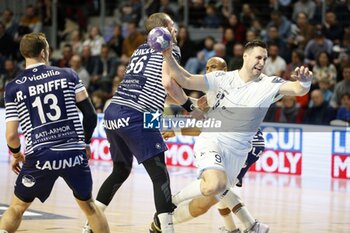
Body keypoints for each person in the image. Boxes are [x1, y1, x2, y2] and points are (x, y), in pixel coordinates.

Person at [156, 40, 312, 233]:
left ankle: (240, 226)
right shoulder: (221, 79)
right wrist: (167, 54)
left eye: (264, 59)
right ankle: (174, 204)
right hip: (212, 142)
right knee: (216, 186)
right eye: (258, 57)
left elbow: (298, 89)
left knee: (216, 191)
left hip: (242, 150)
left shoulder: (269, 84)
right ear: (245, 57)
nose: (261, 62)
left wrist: (305, 82)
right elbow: (185, 78)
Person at [82, 12, 203, 233]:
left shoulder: (139, 50)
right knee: (160, 175)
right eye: (172, 26)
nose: (175, 30)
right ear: (164, 30)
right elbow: (168, 84)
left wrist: (191, 104)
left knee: (120, 170)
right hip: (137, 115)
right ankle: (166, 229)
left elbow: (155, 90)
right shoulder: (170, 49)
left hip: (113, 112)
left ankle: (90, 227)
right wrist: (190, 108)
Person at [0, 32, 109, 233]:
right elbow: (91, 116)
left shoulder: (13, 87)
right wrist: (84, 143)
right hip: (73, 152)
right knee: (90, 207)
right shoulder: (68, 74)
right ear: (44, 52)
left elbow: (11, 136)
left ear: (25, 54)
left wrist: (16, 155)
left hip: (40, 155)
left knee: (17, 207)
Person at [157, 57, 269, 233]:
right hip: (235, 141)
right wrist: (158, 95)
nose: (210, 70)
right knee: (219, 185)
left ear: (225, 71)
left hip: (249, 143)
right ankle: (240, 227)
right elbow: (192, 103)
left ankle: (249, 225)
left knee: (218, 187)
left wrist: (175, 130)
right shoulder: (214, 90)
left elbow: (207, 126)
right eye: (208, 67)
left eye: (215, 67)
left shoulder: (229, 86)